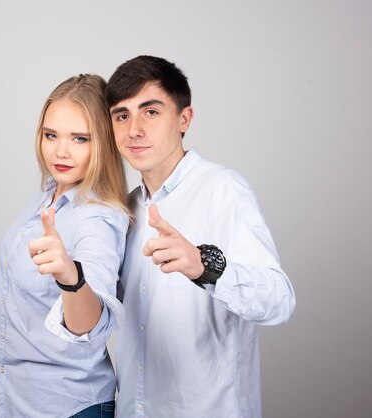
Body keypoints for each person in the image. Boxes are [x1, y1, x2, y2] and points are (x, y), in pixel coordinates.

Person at [105, 56, 296, 418]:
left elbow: (279, 300)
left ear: (184, 119)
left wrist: (204, 267)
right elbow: (103, 311)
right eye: (121, 115)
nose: (133, 130)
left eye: (150, 112)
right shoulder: (125, 211)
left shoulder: (223, 190)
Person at [0, 74, 129, 418]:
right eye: (51, 135)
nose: (60, 151)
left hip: (66, 407)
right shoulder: (51, 190)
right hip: (21, 397)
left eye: (80, 138)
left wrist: (71, 277)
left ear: (104, 143)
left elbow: (90, 327)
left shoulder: (98, 219)